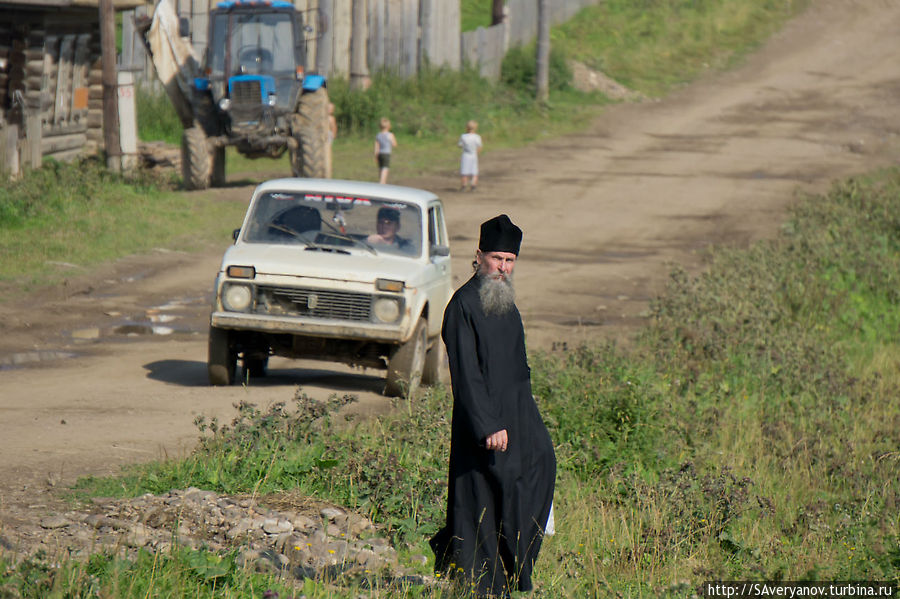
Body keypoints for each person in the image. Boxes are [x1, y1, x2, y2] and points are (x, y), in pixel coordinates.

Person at [430, 214, 556, 597]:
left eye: (510, 261)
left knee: (541, 467)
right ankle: (479, 581)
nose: (503, 267)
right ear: (479, 255)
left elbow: (518, 366)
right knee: (482, 498)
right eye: (497, 258)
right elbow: (466, 374)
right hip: (484, 423)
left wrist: (528, 418)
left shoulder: (505, 302)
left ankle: (514, 568)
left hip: (519, 414)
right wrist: (488, 425)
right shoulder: (463, 306)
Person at [458, 120, 483, 192]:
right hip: (473, 155)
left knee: (464, 171)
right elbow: (479, 147)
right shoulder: (477, 137)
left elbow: (460, 145)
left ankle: (464, 185)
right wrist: (476, 153)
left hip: (465, 155)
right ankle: (473, 185)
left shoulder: (463, 136)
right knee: (474, 171)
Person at [374, 117, 397, 184]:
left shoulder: (378, 135)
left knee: (380, 169)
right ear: (389, 126)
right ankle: (382, 183)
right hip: (386, 154)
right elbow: (394, 144)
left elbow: (376, 147)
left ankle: (381, 181)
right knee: (385, 169)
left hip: (379, 154)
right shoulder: (390, 135)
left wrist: (376, 156)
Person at [326, 102, 337, 178]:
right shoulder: (323, 117)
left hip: (328, 135)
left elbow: (334, 127)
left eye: (331, 108)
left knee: (328, 151)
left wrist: (333, 135)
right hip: (324, 135)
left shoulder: (331, 118)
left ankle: (328, 167)